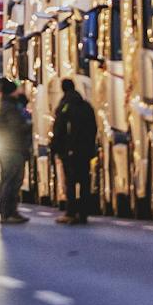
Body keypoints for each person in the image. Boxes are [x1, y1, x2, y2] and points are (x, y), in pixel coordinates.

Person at [51, 79, 97, 224]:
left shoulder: (64, 107)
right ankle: (83, 212)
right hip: (85, 150)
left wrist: (56, 148)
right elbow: (93, 128)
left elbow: (59, 129)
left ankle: (71, 212)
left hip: (70, 150)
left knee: (70, 182)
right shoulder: (86, 106)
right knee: (84, 180)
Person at [0, 84, 32, 224]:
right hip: (12, 148)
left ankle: (8, 212)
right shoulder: (9, 108)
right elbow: (17, 126)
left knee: (6, 180)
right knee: (12, 181)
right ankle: (8, 212)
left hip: (5, 148)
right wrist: (28, 124)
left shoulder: (0, 104)